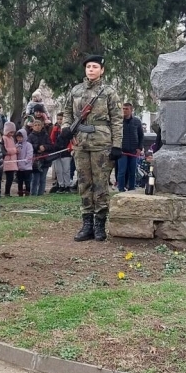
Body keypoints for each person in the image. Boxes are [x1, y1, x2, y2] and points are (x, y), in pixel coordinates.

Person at [61, 55, 123, 242]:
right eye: (88, 66)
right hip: (81, 143)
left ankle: (100, 224)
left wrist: (117, 145)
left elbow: (117, 120)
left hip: (102, 143)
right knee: (83, 183)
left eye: (95, 66)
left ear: (102, 70)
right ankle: (86, 223)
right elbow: (67, 113)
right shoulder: (76, 90)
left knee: (101, 184)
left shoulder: (109, 92)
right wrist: (65, 128)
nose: (91, 69)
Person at [117, 102, 144, 193]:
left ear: (131, 110)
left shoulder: (137, 121)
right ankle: (121, 188)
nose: (124, 110)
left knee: (133, 171)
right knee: (122, 171)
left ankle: (132, 188)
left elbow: (141, 136)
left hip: (133, 151)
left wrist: (139, 148)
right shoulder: (118, 122)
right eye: (123, 109)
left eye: (126, 109)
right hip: (122, 151)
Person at [27, 118, 53, 196]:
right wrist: (37, 147)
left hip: (45, 159)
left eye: (39, 125)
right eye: (35, 125)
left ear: (42, 126)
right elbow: (29, 146)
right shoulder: (30, 136)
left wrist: (44, 147)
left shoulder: (45, 135)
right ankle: (33, 194)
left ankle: (41, 193)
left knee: (43, 179)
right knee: (35, 179)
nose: (37, 127)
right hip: (36, 160)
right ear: (32, 126)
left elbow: (50, 146)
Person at [50, 112, 73, 193]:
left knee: (66, 170)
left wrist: (69, 147)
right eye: (58, 119)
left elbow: (71, 140)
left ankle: (67, 185)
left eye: (61, 119)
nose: (59, 121)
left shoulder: (68, 129)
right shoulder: (55, 128)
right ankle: (61, 185)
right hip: (57, 152)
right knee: (58, 170)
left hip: (65, 152)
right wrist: (54, 147)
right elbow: (52, 139)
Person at [1, 122, 18, 197]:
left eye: (13, 132)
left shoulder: (12, 139)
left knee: (10, 178)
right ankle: (6, 192)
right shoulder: (4, 138)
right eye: (11, 132)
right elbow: (5, 150)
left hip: (12, 161)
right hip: (7, 161)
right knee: (9, 178)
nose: (12, 134)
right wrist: (15, 150)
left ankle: (8, 192)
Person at [15, 129, 33, 196]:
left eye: (20, 137)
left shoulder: (28, 145)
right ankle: (20, 193)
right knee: (20, 181)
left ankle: (27, 192)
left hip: (27, 167)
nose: (19, 138)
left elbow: (29, 154)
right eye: (18, 137)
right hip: (19, 167)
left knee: (27, 181)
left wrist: (25, 162)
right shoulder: (16, 145)